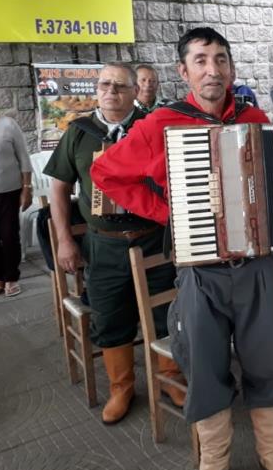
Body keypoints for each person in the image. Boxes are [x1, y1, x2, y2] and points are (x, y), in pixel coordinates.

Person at [90, 28, 273, 470]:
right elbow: (104, 173)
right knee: (205, 366)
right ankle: (214, 461)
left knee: (268, 360)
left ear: (231, 68)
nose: (213, 69)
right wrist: (169, 212)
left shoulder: (254, 116)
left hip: (257, 263)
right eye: (202, 60)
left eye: (221, 59)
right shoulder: (159, 124)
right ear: (183, 71)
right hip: (200, 271)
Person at [44, 63, 184, 425]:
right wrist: (63, 240)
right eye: (105, 85)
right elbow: (58, 188)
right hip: (103, 244)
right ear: (97, 90)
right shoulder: (79, 132)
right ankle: (121, 387)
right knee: (109, 314)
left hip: (154, 238)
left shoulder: (152, 127)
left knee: (167, 309)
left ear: (135, 90)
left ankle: (170, 376)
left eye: (120, 86)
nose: (112, 92)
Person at [0, 111, 32, 297]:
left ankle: (11, 277)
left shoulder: (8, 124)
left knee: (9, 235)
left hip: (8, 192)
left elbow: (24, 157)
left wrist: (27, 187)